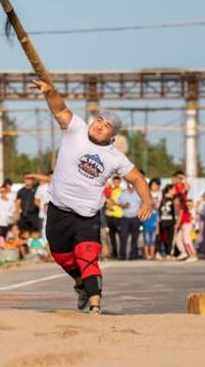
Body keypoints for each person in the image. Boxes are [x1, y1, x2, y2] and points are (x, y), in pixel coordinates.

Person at [31, 79, 150, 314]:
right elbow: (60, 109)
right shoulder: (76, 129)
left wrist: (148, 200)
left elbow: (137, 178)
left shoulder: (116, 157)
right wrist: (49, 92)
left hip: (86, 216)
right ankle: (80, 283)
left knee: (86, 256)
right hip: (58, 210)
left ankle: (95, 306)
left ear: (112, 136)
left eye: (106, 126)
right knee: (61, 256)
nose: (99, 126)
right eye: (99, 120)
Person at [117, 181, 142, 260]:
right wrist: (123, 205)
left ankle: (133, 255)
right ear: (127, 186)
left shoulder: (138, 194)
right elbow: (118, 203)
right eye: (129, 187)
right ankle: (122, 255)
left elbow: (142, 204)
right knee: (123, 237)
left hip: (135, 218)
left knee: (135, 237)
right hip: (125, 218)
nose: (130, 188)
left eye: (132, 187)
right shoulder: (123, 193)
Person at [104, 176, 124, 259]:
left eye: (117, 182)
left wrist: (114, 203)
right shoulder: (110, 190)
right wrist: (107, 203)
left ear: (120, 182)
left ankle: (122, 253)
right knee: (112, 236)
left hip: (118, 215)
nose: (116, 183)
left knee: (121, 236)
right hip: (109, 215)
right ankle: (114, 253)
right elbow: (106, 200)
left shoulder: (122, 191)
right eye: (114, 182)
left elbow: (123, 203)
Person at [16, 174, 41, 238]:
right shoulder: (20, 191)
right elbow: (17, 203)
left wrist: (34, 175)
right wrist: (17, 214)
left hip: (35, 215)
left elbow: (48, 179)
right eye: (26, 179)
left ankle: (33, 247)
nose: (28, 180)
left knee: (35, 234)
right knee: (25, 234)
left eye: (30, 179)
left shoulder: (37, 188)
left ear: (33, 180)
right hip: (24, 215)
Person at [157, 185, 176, 260]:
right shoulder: (171, 200)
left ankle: (166, 253)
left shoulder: (162, 199)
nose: (174, 191)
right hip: (168, 221)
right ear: (169, 190)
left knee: (165, 238)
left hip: (163, 221)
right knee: (168, 238)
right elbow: (173, 212)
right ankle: (167, 253)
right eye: (173, 189)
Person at [141, 196, 159, 260]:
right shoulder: (145, 209)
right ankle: (146, 255)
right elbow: (142, 219)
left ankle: (151, 255)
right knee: (146, 241)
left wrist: (157, 229)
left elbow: (157, 220)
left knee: (153, 242)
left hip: (153, 228)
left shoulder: (155, 210)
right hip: (146, 227)